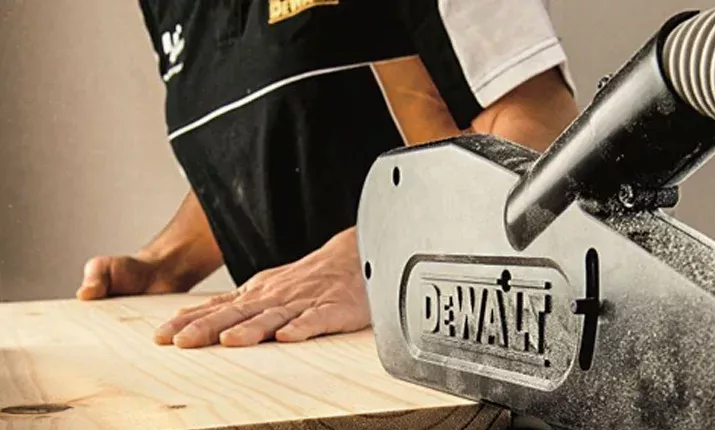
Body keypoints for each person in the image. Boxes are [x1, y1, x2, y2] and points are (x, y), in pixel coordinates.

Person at [77, 1, 578, 348]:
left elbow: (542, 130)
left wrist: (381, 253)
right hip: (305, 366)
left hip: (465, 349)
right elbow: (274, 146)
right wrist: (166, 263)